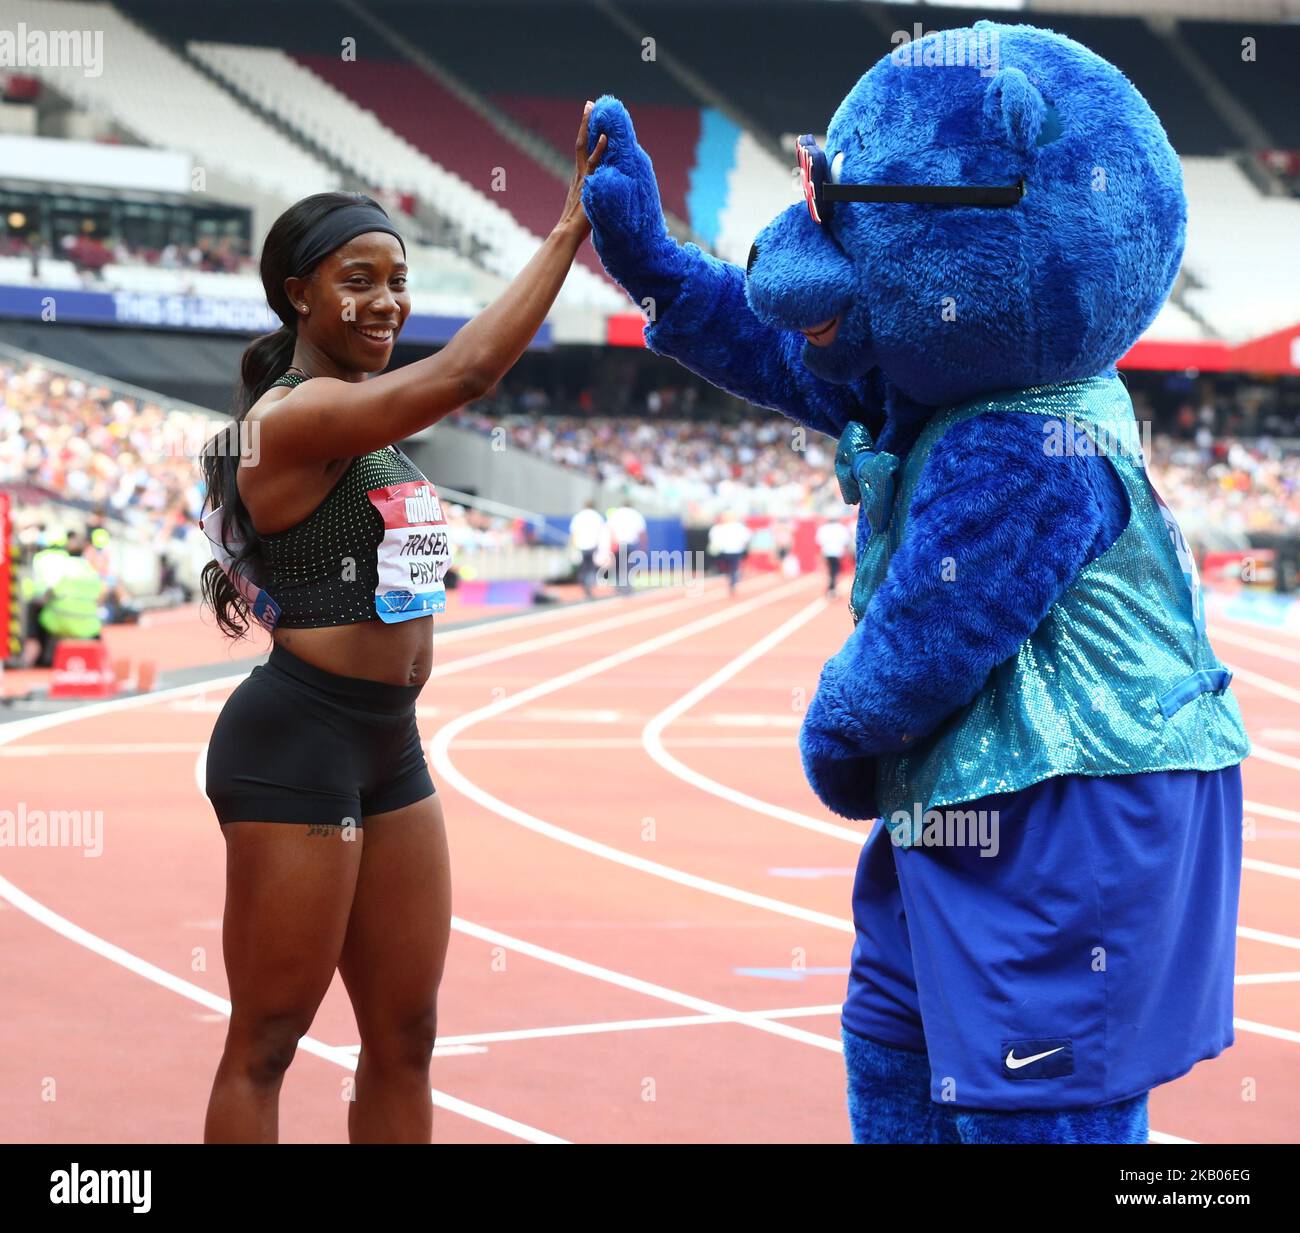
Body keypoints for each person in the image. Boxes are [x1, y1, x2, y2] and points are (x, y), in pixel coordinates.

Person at [198, 105, 606, 1145]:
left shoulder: (361, 424)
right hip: (296, 740)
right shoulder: (290, 418)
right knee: (270, 1038)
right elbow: (464, 374)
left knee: (408, 1032)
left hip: (390, 745)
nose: (387, 302)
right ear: (297, 294)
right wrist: (566, 235)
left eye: (398, 280)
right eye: (357, 280)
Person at [35, 529, 105, 665]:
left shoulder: (61, 568)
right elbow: (100, 598)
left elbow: (48, 594)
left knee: (39, 616)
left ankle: (42, 658)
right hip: (88, 624)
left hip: (61, 622)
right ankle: (97, 663)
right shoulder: (91, 571)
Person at [605, 498, 646, 593]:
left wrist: (611, 545)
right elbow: (642, 532)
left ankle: (618, 586)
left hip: (618, 543)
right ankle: (627, 586)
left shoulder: (616, 514)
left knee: (618, 565)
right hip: (631, 543)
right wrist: (643, 547)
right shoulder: (636, 514)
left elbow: (610, 530)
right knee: (628, 565)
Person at [568, 499, 606, 598]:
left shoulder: (578, 516)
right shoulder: (597, 517)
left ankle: (585, 585)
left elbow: (573, 532)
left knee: (583, 567)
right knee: (591, 567)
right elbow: (602, 532)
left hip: (581, 545)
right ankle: (589, 585)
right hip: (593, 545)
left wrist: (572, 546)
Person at [707, 510, 751, 595]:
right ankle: (733, 579)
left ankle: (733, 580)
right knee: (732, 568)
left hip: (729, 551)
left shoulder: (720, 528)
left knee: (731, 568)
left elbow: (713, 539)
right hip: (732, 551)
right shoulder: (722, 527)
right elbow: (747, 538)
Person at [815, 515, 852, 598]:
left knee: (831, 570)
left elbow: (819, 540)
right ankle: (832, 588)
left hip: (827, 551)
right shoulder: (841, 528)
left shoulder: (823, 528)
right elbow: (846, 540)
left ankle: (831, 587)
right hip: (837, 552)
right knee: (835, 570)